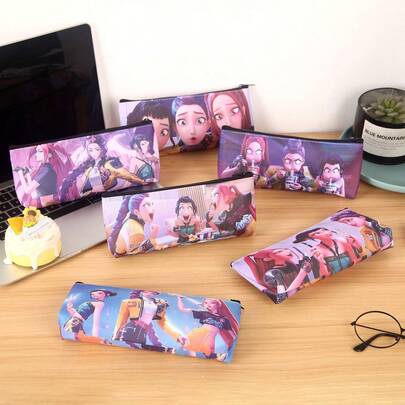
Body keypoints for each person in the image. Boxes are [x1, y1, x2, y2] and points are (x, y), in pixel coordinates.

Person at [60, 136, 145, 200]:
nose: (94, 153)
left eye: (97, 149)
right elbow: (70, 178)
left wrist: (140, 182)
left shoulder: (110, 162)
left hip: (108, 196)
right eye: (90, 150)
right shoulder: (87, 164)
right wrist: (63, 194)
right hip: (90, 198)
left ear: (102, 149)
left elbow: (128, 176)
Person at [113, 290, 184, 353]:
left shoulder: (160, 304)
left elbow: (163, 323)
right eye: (145, 290)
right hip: (129, 331)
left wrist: (177, 336)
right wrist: (115, 335)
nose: (147, 291)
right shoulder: (128, 302)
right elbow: (121, 320)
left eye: (150, 291)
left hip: (142, 334)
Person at [243, 248, 313, 304]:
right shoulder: (273, 274)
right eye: (280, 251)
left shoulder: (292, 266)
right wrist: (303, 272)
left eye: (286, 249)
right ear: (268, 258)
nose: (288, 251)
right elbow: (285, 295)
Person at [293, 227, 359, 276]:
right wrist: (321, 262)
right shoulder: (316, 250)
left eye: (324, 230)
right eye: (317, 233)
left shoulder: (342, 241)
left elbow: (354, 259)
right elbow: (323, 275)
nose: (325, 233)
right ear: (313, 238)